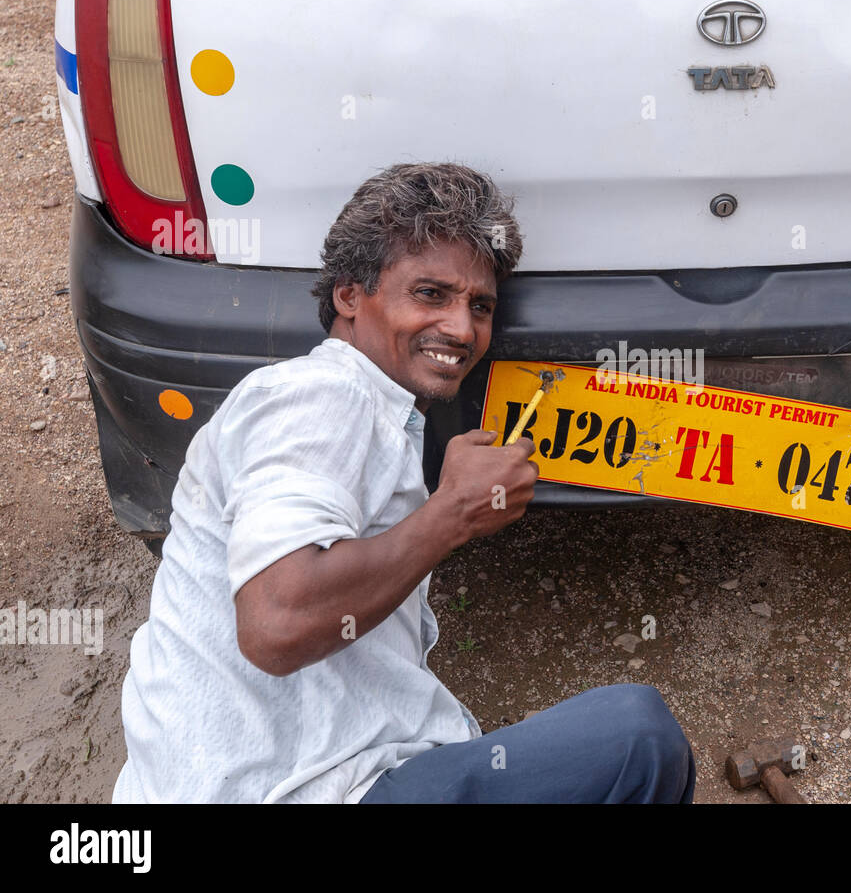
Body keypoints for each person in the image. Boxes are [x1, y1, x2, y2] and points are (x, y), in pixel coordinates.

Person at [112, 162, 695, 803]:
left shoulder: (363, 409)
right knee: (640, 738)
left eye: (480, 306)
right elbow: (276, 623)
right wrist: (455, 512)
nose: (462, 328)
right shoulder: (321, 395)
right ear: (349, 295)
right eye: (430, 294)